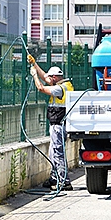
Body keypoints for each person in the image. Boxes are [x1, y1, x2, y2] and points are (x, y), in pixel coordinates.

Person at [28, 54, 74, 191]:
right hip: (57, 124)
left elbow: (41, 88)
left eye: (51, 77)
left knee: (58, 151)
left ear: (55, 78)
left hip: (59, 124)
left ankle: (64, 180)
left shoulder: (59, 89)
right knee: (52, 152)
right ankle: (54, 177)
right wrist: (34, 64)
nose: (49, 79)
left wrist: (34, 76)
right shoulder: (64, 84)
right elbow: (46, 78)